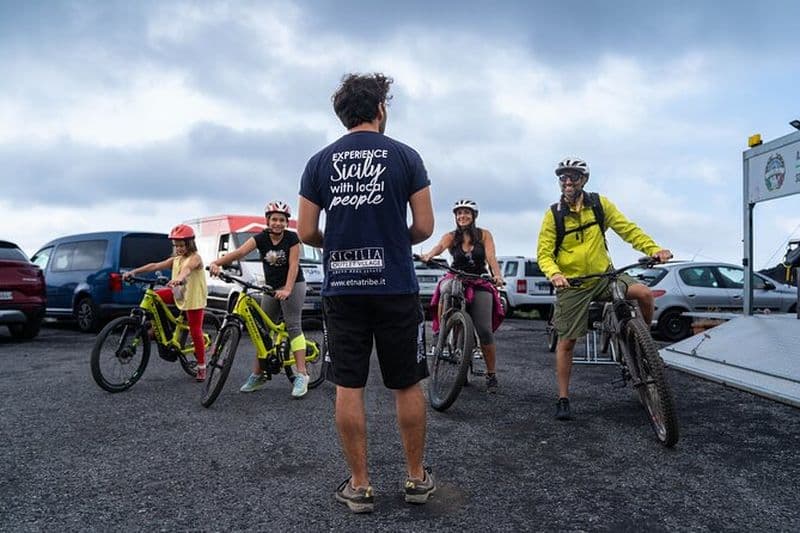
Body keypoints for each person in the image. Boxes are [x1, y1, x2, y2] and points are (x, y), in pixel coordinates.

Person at [297, 72, 435, 513]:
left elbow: (305, 231)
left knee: (349, 386)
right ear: (380, 109)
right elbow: (426, 227)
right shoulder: (406, 156)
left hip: (344, 289)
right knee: (407, 383)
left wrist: (337, 241)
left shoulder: (319, 162)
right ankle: (415, 480)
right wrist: (394, 238)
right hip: (395, 285)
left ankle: (360, 486)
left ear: (344, 115)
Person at [536, 157, 672, 421]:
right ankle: (563, 397)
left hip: (604, 277)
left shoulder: (599, 204)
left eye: (573, 177)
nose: (567, 182)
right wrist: (555, 274)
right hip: (573, 283)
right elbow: (544, 253)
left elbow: (628, 230)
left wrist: (653, 249)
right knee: (567, 341)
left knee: (643, 293)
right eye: (562, 177)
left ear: (584, 180)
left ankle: (644, 348)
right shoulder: (554, 214)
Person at [209, 201, 311, 398]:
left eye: (282, 220)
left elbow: (293, 265)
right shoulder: (261, 238)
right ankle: (259, 374)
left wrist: (288, 288)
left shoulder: (292, 238)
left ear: (286, 222)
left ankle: (302, 375)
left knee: (293, 326)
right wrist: (216, 263)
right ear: (267, 220)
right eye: (274, 219)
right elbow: (239, 253)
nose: (278, 223)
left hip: (293, 285)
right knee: (262, 331)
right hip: (271, 287)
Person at [419, 199, 505, 393]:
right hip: (457, 277)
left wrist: (497, 274)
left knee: (484, 329)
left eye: (466, 212)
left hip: (479, 279)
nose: (462, 216)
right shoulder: (451, 236)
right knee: (445, 287)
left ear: (474, 216)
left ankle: (491, 374)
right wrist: (429, 255)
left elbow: (491, 257)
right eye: (459, 213)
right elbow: (440, 247)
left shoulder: (484, 235)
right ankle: (440, 332)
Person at [123, 224, 209, 381]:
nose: (179, 248)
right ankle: (159, 330)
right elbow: (155, 265)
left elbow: (187, 269)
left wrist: (178, 278)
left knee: (195, 331)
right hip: (179, 292)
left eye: (182, 245)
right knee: (154, 296)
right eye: (176, 245)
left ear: (190, 243)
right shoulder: (175, 259)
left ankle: (202, 366)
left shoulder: (195, 257)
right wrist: (134, 272)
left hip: (193, 297)